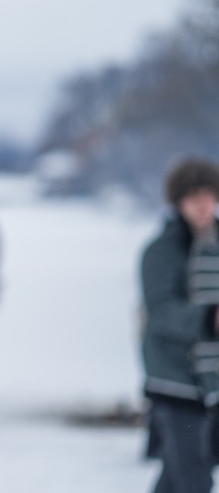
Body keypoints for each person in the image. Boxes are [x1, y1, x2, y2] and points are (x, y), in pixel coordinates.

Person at [141, 158, 219, 493]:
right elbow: (160, 312)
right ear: (178, 202)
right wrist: (208, 318)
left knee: (178, 476)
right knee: (194, 477)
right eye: (193, 197)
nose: (203, 206)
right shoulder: (161, 250)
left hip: (212, 378)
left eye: (209, 196)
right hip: (174, 380)